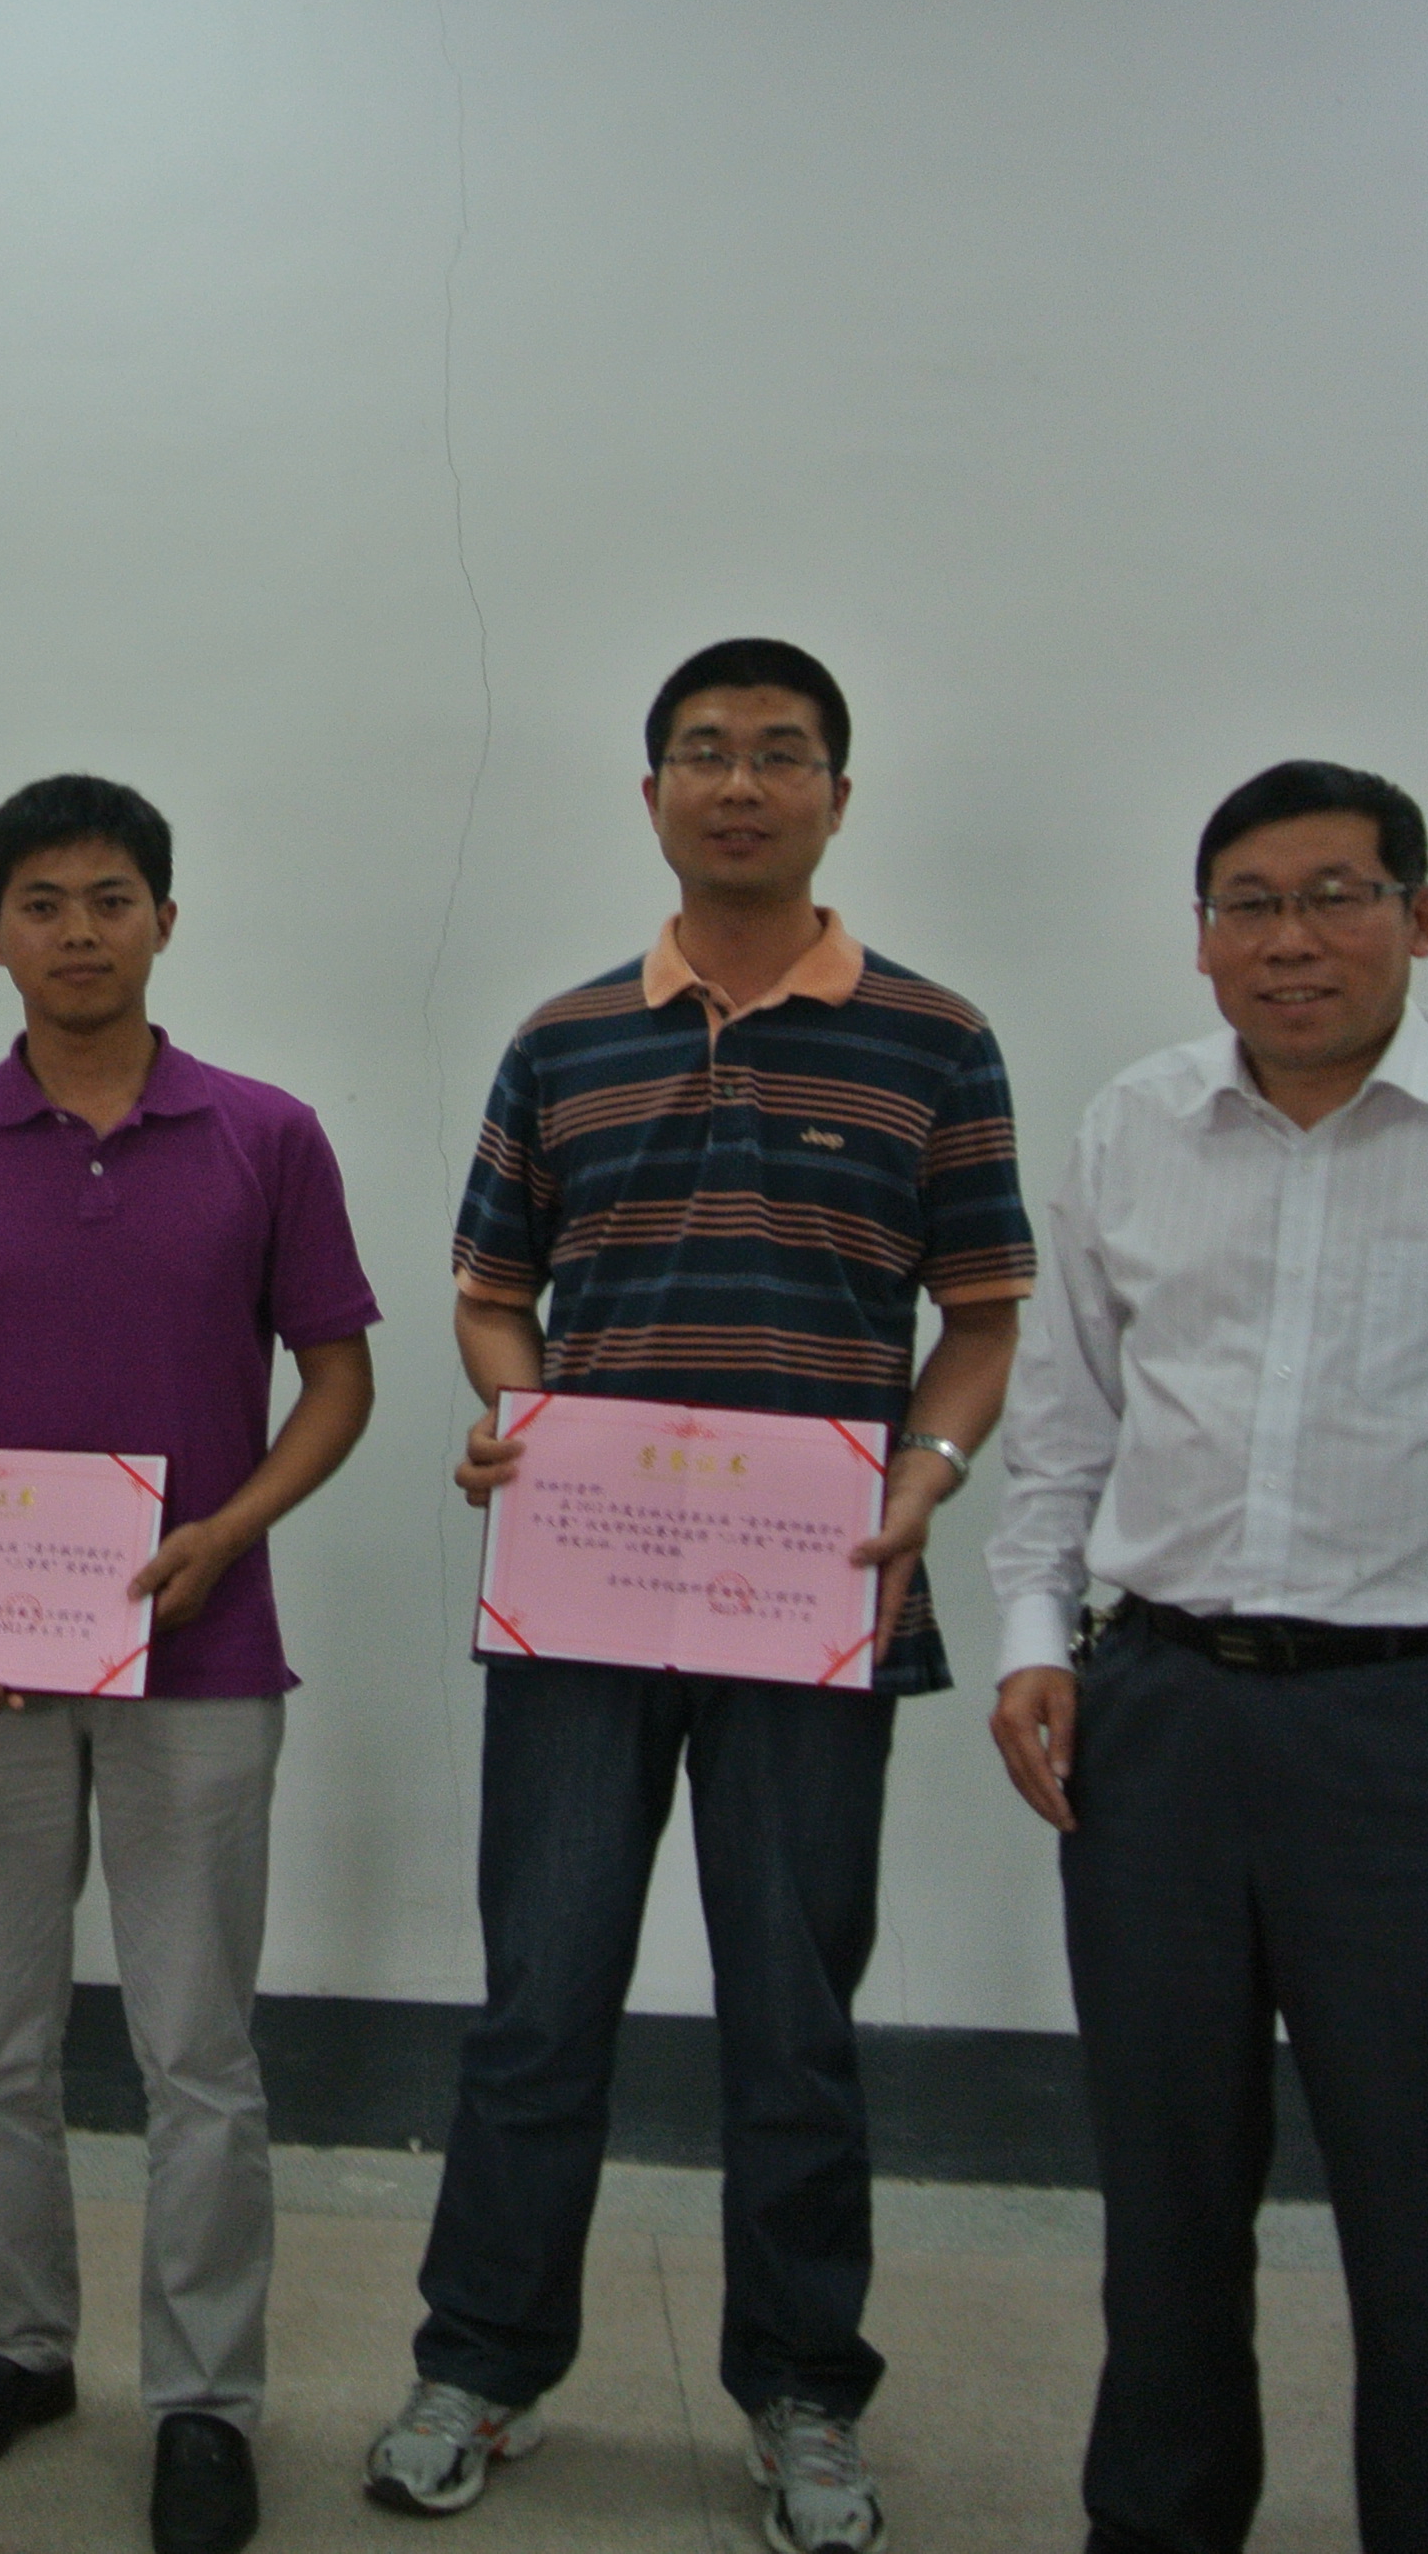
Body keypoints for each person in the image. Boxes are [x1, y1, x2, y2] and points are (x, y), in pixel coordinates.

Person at [985, 761, 1428, 2554]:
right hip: (1159, 1719)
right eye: (1249, 904)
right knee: (1165, 2203)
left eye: (1337, 895)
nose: (1291, 940)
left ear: (1422, 915)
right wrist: (1034, 1636)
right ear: (1203, 938)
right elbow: (1064, 1426)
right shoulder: (1133, 1124)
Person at [367, 640, 1035, 2554]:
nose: (742, 784)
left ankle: (807, 2395)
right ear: (651, 790)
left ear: (839, 793)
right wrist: (517, 1421)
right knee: (537, 2005)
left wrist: (926, 1473)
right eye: (706, 753)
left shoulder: (937, 1040)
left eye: (782, 754)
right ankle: (482, 2363)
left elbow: (983, 1318)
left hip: (817, 1603)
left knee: (795, 2025)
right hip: (581, 1604)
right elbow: (493, 1289)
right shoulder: (566, 1038)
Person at [0, 776, 379, 2554]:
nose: (80, 931)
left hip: (205, 1657)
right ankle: (15, 2347)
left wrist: (231, 1531)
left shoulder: (267, 1136)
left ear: (165, 919)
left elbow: (340, 1381)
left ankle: (206, 2399)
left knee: (198, 2054)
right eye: (44, 903)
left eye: (113, 898)